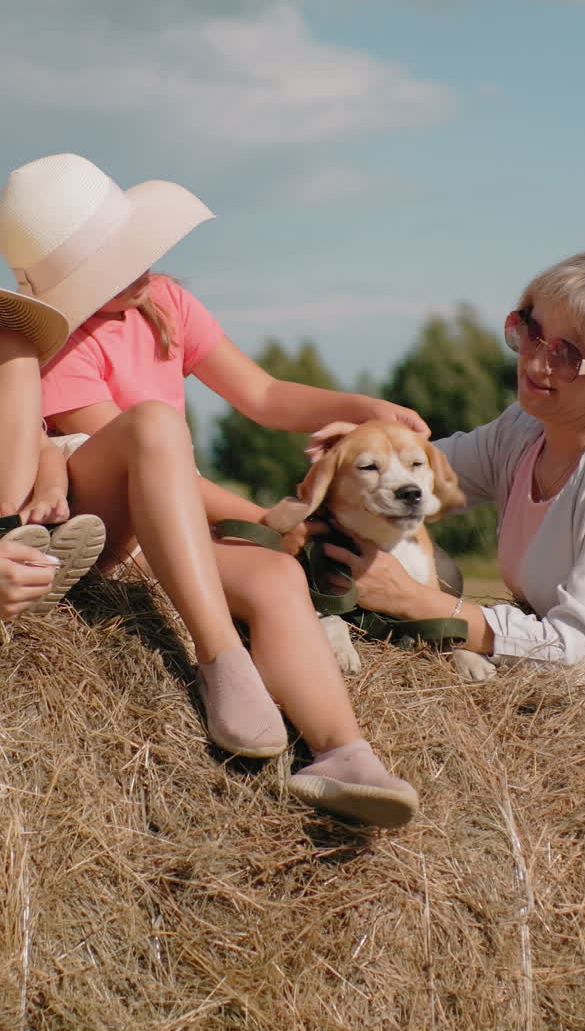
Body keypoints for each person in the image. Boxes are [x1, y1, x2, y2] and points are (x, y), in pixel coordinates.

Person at [0, 153, 423, 827]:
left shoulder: (164, 300)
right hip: (109, 529)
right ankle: (218, 651)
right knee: (156, 425)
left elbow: (263, 393)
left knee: (278, 577)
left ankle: (343, 753)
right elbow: (161, 472)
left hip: (176, 537)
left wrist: (362, 405)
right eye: (112, 263)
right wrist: (265, 514)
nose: (140, 266)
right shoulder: (59, 348)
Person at [318, 250, 585, 917]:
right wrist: (359, 455)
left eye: (569, 354)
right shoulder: (525, 428)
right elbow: (426, 476)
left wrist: (427, 606)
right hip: (580, 726)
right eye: (531, 330)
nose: (535, 362)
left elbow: (577, 647)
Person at [0, 290, 106, 621]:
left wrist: (50, 492)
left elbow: (44, 451)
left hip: (11, 503)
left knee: (16, 349)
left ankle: (18, 540)